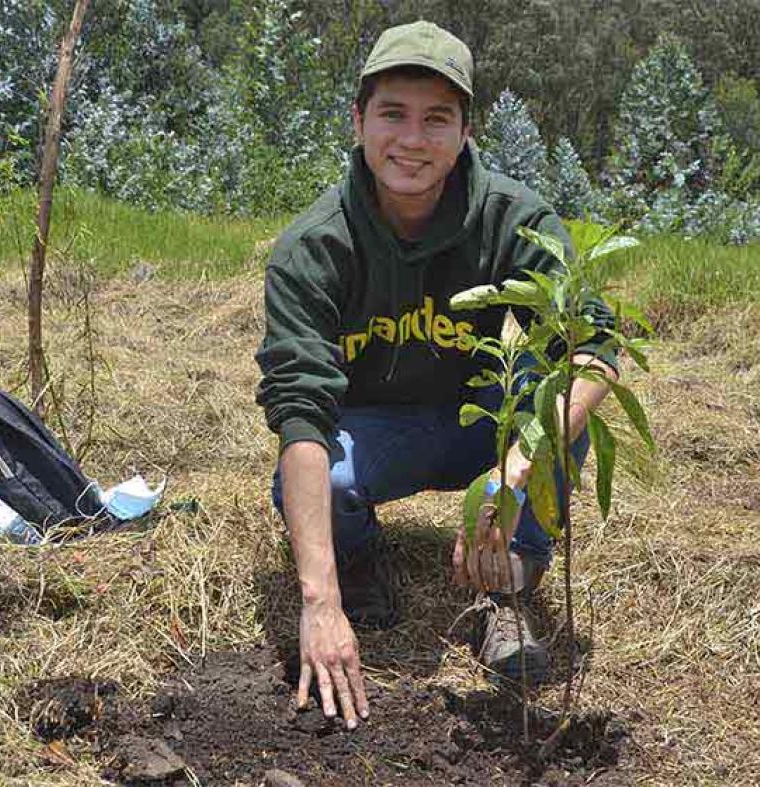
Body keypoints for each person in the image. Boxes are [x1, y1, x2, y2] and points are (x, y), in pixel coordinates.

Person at [255, 20, 623, 730]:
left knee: (557, 406)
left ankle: (504, 589)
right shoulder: (313, 247)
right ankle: (356, 565)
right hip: (373, 430)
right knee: (320, 479)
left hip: (476, 425)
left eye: (437, 119)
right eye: (393, 114)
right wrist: (319, 603)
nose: (413, 141)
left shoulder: (513, 217)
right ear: (359, 119)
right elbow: (300, 414)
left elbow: (595, 348)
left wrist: (511, 474)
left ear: (465, 131)